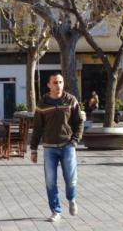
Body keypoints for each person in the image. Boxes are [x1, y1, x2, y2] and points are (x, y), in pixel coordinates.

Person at [30, 73, 83, 222]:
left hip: (67, 146)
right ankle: (56, 211)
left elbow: (79, 122)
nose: (58, 85)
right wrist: (34, 149)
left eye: (60, 82)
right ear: (49, 85)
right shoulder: (42, 103)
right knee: (50, 181)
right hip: (49, 148)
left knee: (71, 179)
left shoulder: (71, 100)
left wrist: (74, 141)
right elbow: (37, 128)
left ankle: (71, 199)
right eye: (55, 82)